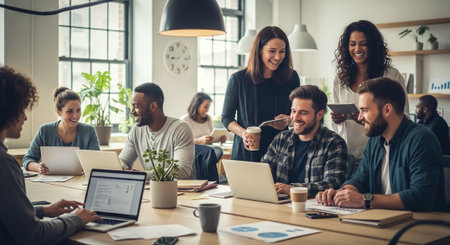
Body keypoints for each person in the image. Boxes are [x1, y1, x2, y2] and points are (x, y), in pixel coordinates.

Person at [0, 66, 100, 244]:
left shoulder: (88, 131)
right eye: (22, 109)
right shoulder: (4, 164)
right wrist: (76, 218)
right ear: (8, 111)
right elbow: (34, 234)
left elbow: (10, 212)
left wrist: (44, 210)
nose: (25, 117)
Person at [316, 77, 444, 211]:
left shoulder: (421, 139)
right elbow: (360, 179)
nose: (359, 117)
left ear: (387, 110)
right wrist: (342, 193)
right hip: (380, 219)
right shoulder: (375, 140)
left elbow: (421, 197)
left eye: (365, 110)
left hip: (418, 224)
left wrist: (365, 200)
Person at [331, 20, 409, 171]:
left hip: (383, 154)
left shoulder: (391, 75)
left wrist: (371, 121)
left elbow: (403, 117)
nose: (357, 49)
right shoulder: (340, 79)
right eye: (352, 43)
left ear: (373, 46)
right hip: (350, 157)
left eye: (363, 43)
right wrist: (337, 120)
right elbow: (336, 128)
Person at [222, 26, 300, 162]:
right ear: (259, 50)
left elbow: (298, 113)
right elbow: (226, 118)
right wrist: (243, 134)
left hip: (281, 154)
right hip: (246, 154)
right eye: (272, 51)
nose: (278, 57)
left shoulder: (291, 78)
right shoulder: (238, 79)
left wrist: (289, 120)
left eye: (282, 51)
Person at [261, 85, 348, 197]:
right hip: (279, 205)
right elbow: (264, 173)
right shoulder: (281, 139)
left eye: (303, 113)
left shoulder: (334, 143)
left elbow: (333, 183)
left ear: (319, 115)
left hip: (312, 208)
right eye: (293, 111)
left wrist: (293, 189)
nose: (295, 118)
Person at [119, 83, 195, 179]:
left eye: (137, 106)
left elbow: (182, 171)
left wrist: (143, 176)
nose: (132, 112)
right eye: (132, 106)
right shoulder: (136, 130)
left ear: (153, 107)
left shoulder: (181, 129)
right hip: (150, 189)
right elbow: (123, 160)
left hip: (181, 191)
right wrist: (123, 168)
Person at [23, 86, 100, 173]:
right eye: (70, 111)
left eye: (78, 110)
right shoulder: (45, 131)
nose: (75, 116)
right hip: (50, 183)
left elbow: (96, 162)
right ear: (58, 111)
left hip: (79, 183)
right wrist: (39, 167)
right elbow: (28, 159)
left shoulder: (89, 131)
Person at [181, 92, 226, 181]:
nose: (207, 110)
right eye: (205, 107)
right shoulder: (185, 119)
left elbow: (210, 137)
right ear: (196, 105)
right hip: (193, 150)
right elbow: (182, 142)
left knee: (217, 150)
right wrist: (200, 140)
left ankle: (211, 180)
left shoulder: (208, 119)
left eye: (208, 107)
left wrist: (219, 139)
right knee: (210, 152)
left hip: (208, 150)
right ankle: (214, 181)